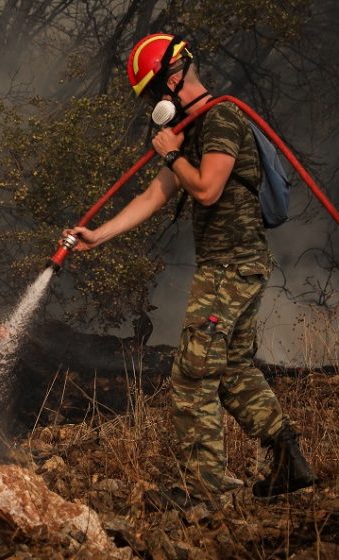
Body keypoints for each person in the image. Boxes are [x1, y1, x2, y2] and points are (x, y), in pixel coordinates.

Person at [62, 33, 317, 507]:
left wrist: (171, 153)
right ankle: (289, 462)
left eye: (155, 93)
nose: (155, 104)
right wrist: (100, 233)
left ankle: (206, 491)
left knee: (193, 375)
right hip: (234, 268)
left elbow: (206, 190)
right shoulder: (193, 128)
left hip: (230, 268)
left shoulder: (220, 118)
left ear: (175, 77)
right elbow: (154, 196)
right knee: (233, 369)